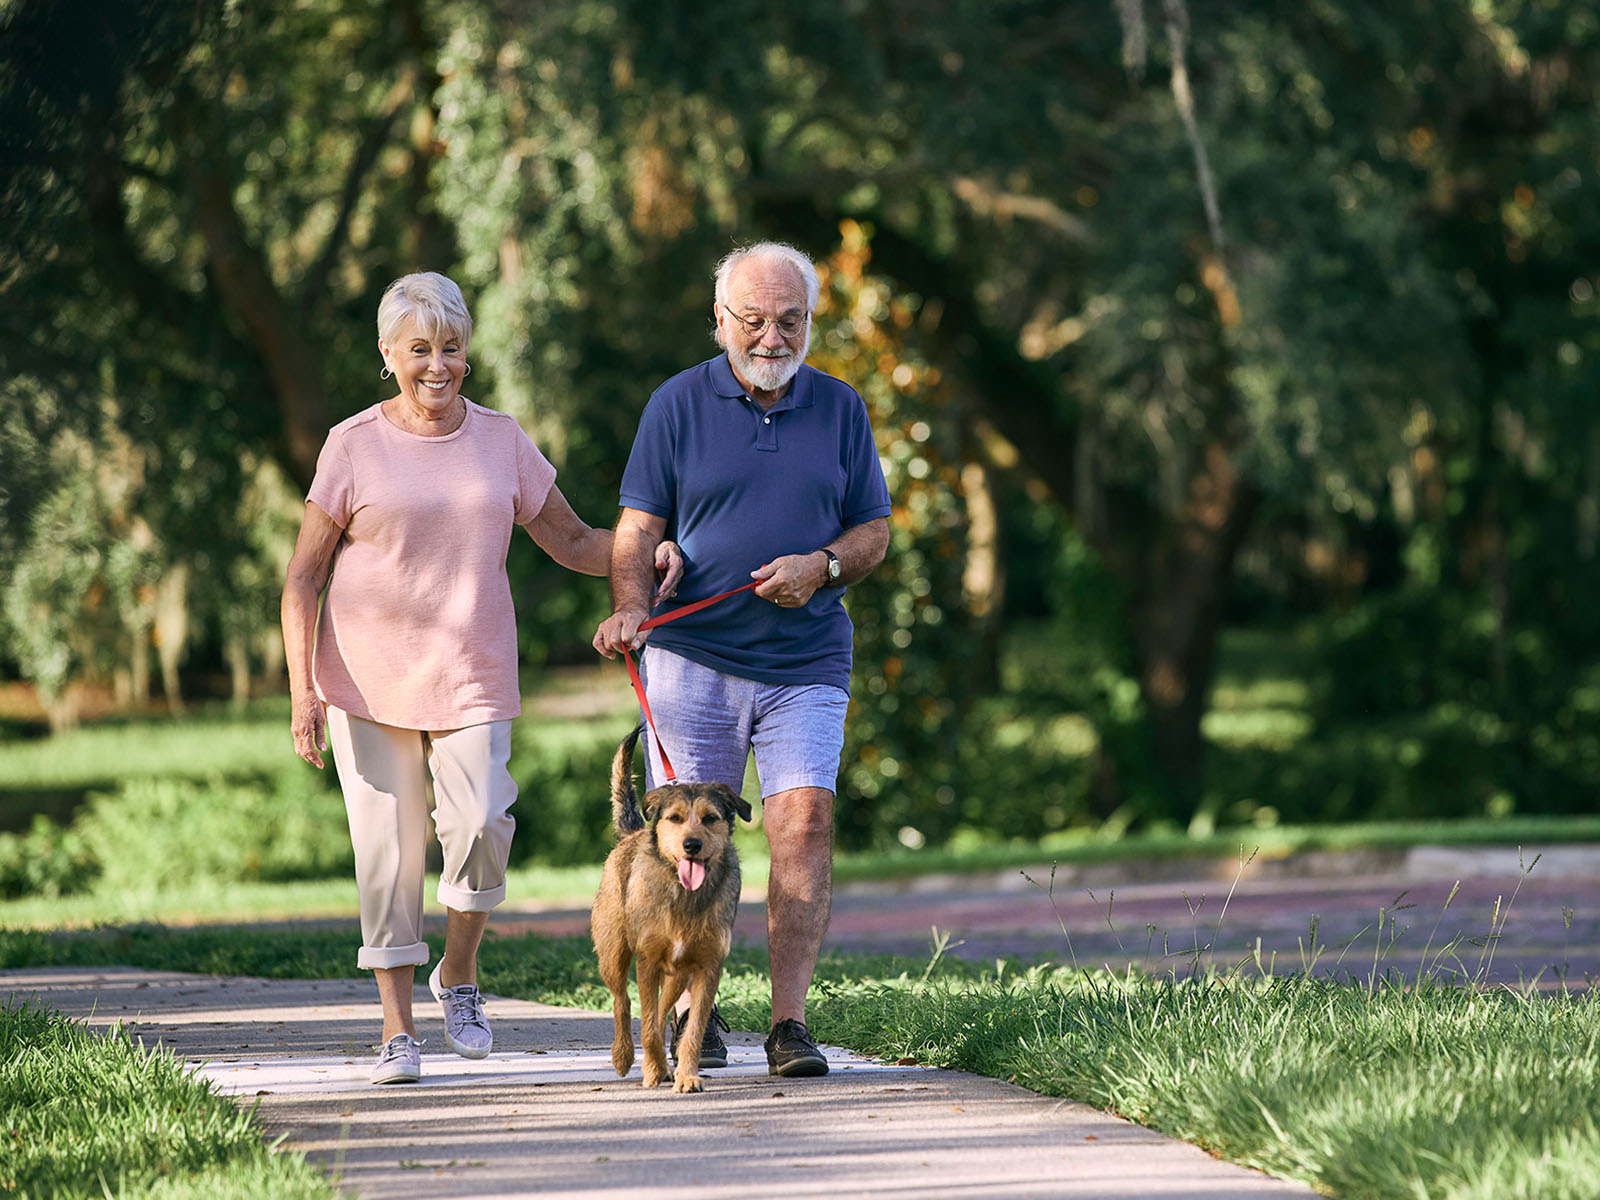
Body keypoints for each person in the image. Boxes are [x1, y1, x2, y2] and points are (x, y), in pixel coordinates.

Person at [282, 271, 681, 1085]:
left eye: (452, 348)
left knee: (483, 824)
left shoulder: (500, 439)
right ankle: (398, 1031)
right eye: (420, 349)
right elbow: (303, 577)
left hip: (470, 669)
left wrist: (644, 553)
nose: (438, 365)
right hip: (364, 678)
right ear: (388, 354)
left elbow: (570, 540)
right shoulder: (351, 444)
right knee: (389, 856)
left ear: (469, 351)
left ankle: (457, 973)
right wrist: (302, 692)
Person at [593, 241, 891, 1077]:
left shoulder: (841, 408)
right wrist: (629, 608)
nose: (771, 337)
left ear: (810, 321)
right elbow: (638, 528)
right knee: (684, 841)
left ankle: (790, 1026)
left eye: (789, 320)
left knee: (803, 825)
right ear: (719, 317)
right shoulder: (676, 405)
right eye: (753, 320)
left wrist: (822, 567)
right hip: (692, 655)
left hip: (807, 659)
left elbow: (873, 529)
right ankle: (696, 1014)